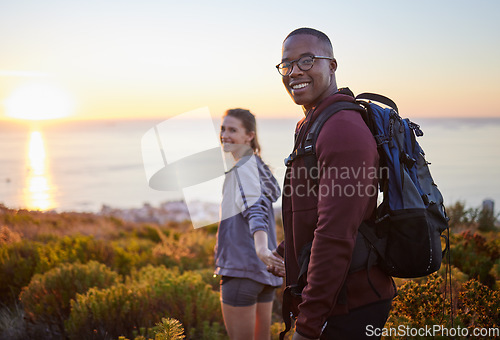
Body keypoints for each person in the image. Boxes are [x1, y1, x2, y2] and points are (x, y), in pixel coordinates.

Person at [272, 28, 396, 340]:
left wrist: (309, 325)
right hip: (333, 298)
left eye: (307, 60)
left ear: (332, 65)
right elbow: (316, 208)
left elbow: (335, 234)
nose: (294, 72)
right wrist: (288, 252)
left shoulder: (341, 129)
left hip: (349, 305)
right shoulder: (312, 123)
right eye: (286, 65)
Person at [214, 108, 285, 340]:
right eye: (223, 128)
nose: (224, 134)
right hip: (263, 275)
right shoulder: (257, 166)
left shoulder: (243, 168)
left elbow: (255, 209)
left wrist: (261, 248)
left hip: (242, 272)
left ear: (249, 136)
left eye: (233, 130)